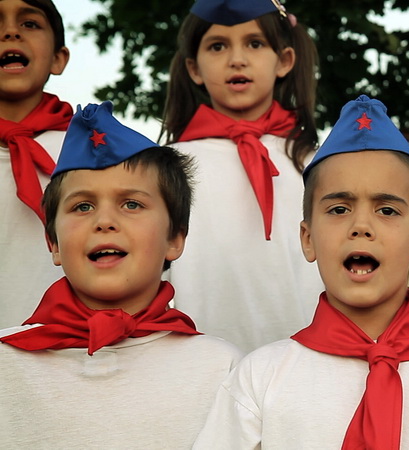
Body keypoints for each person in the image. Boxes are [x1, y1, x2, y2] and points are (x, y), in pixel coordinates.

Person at [194, 95, 409, 449]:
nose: (361, 226)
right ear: (308, 239)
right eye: (339, 209)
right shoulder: (260, 377)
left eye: (387, 210)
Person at [0, 101, 243, 448]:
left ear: (175, 239)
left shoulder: (222, 369)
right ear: (53, 242)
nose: (104, 221)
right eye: (82, 206)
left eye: (132, 204)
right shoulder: (6, 365)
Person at [162, 0, 323, 352]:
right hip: (204, 367)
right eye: (217, 46)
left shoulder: (317, 163)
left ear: (284, 61)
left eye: (255, 43)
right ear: (194, 68)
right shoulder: (167, 166)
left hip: (308, 365)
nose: (237, 59)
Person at [0, 0, 73, 329]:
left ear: (59, 58)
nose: (10, 32)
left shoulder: (95, 153)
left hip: (69, 359)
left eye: (30, 24)